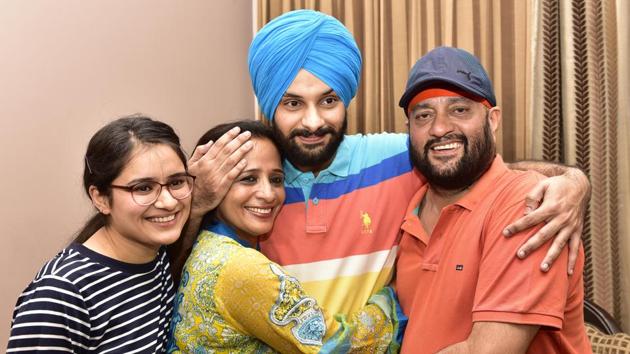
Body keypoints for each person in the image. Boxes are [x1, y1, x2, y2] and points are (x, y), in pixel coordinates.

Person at [172, 9, 589, 323]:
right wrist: (198, 203)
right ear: (269, 105)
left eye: (329, 101)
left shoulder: (396, 159)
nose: (313, 121)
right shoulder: (252, 183)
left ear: (346, 100)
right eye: (293, 103)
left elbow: (480, 165)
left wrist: (573, 181)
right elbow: (179, 278)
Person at [395, 46, 591, 353]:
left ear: (493, 120)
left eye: (459, 110)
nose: (440, 128)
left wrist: (575, 179)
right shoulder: (407, 201)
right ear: (408, 130)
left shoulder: (528, 204)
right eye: (423, 115)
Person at [168, 120, 405, 353]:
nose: (268, 194)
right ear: (214, 185)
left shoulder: (205, 243)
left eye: (276, 179)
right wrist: (390, 298)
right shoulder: (243, 269)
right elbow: (339, 346)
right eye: (248, 179)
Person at [7, 115, 193, 353]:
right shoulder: (61, 293)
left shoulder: (157, 255)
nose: (168, 202)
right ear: (100, 198)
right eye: (143, 188)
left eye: (177, 182)